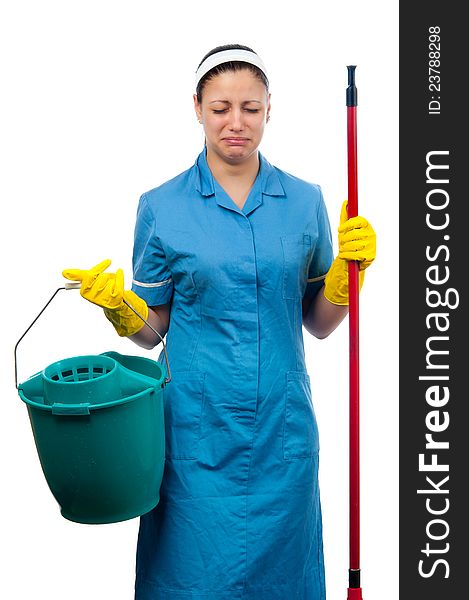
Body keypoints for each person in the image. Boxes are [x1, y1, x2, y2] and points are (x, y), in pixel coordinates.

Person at [63, 44, 376, 600]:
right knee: (188, 579)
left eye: (250, 108)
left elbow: (321, 323)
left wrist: (348, 279)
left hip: (282, 433)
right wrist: (120, 308)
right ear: (197, 108)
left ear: (269, 109)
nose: (237, 123)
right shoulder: (161, 206)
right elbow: (153, 327)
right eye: (221, 108)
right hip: (193, 435)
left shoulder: (305, 202)